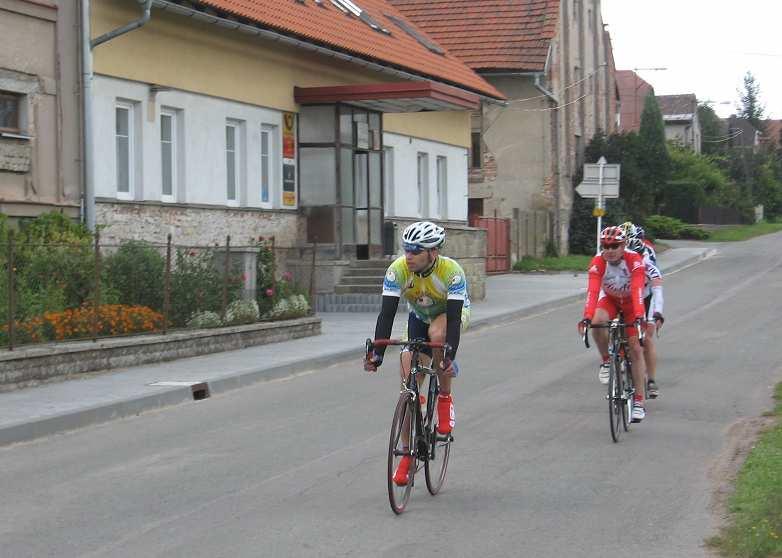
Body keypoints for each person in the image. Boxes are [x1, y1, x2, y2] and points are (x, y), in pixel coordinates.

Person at [364, 221, 470, 485]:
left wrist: (449, 356)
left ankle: (444, 398)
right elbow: (386, 314)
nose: (408, 255)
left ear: (432, 253)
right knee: (407, 380)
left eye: (415, 250)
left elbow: (454, 322)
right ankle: (407, 456)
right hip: (418, 317)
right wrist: (377, 354)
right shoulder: (398, 270)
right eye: (406, 249)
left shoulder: (451, 272)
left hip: (450, 317)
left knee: (437, 334)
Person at [578, 225, 649, 422]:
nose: (609, 250)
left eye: (614, 246)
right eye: (605, 246)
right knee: (597, 322)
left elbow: (637, 289)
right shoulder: (599, 261)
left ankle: (638, 402)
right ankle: (607, 361)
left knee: (635, 348)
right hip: (609, 299)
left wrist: (638, 316)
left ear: (623, 244)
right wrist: (586, 316)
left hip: (630, 303)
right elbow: (592, 291)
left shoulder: (634, 260)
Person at [626, 237, 665, 398]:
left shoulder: (649, 266)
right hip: (626, 300)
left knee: (647, 339)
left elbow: (658, 293)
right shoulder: (620, 263)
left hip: (646, 299)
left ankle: (651, 380)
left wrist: (657, 313)